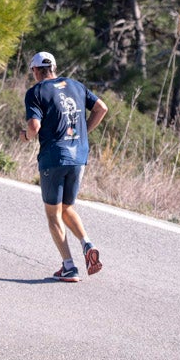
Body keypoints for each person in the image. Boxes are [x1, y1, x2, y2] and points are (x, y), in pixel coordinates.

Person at [21, 51, 108, 282]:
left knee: (53, 214)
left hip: (54, 158)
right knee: (67, 207)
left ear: (36, 71)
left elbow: (34, 125)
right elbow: (102, 108)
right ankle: (87, 244)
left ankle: (69, 267)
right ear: (54, 67)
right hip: (79, 156)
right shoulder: (76, 85)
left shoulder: (36, 92)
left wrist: (27, 136)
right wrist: (83, 134)